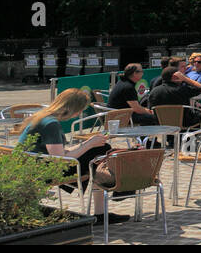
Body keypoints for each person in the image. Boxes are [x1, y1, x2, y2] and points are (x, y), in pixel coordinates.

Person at [17, 89, 125, 221]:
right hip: (45, 171)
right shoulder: (51, 124)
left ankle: (105, 205)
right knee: (101, 153)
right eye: (80, 110)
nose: (80, 114)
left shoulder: (42, 117)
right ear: (72, 108)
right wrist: (89, 144)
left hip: (33, 166)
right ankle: (115, 192)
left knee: (98, 153)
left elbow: (58, 152)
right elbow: (60, 159)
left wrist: (87, 143)